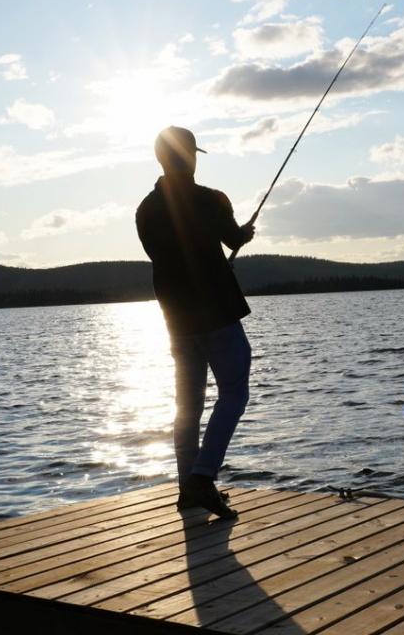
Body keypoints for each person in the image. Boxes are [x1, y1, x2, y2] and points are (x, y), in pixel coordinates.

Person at [136, 126, 255, 519]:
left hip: (176, 320)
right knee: (234, 393)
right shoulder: (210, 199)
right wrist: (243, 233)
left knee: (187, 406)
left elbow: (169, 254)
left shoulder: (144, 210)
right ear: (190, 157)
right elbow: (232, 237)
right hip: (217, 313)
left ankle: (188, 488)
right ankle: (203, 476)